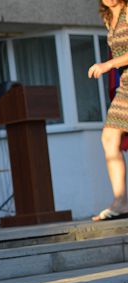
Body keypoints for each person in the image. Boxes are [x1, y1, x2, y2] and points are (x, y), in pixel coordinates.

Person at [88, 0, 128, 221]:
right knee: (109, 138)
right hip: (125, 85)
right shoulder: (108, 18)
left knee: (110, 136)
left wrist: (108, 64)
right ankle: (120, 202)